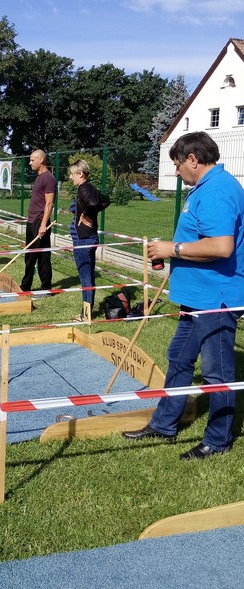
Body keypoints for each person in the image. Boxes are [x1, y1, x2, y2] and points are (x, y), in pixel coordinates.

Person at [123, 131, 244, 460]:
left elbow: (221, 246)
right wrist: (173, 254)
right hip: (197, 297)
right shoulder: (204, 188)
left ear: (193, 159)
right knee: (178, 359)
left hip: (216, 298)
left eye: (177, 165)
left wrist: (172, 248)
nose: (176, 172)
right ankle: (164, 424)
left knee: (217, 373)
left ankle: (218, 440)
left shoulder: (218, 190)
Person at [69, 159, 101, 321]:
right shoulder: (90, 188)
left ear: (80, 174)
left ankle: (86, 314)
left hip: (84, 240)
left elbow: (94, 203)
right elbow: (105, 200)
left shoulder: (84, 189)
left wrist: (85, 215)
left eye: (72, 174)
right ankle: (86, 311)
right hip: (89, 238)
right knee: (88, 276)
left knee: (85, 278)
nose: (70, 177)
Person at [20, 150, 56, 294]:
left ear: (41, 159)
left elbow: (49, 203)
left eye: (32, 160)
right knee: (30, 255)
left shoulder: (49, 178)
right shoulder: (39, 177)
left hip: (40, 222)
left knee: (42, 256)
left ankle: (46, 287)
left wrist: (43, 225)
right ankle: (26, 285)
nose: (30, 163)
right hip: (32, 221)